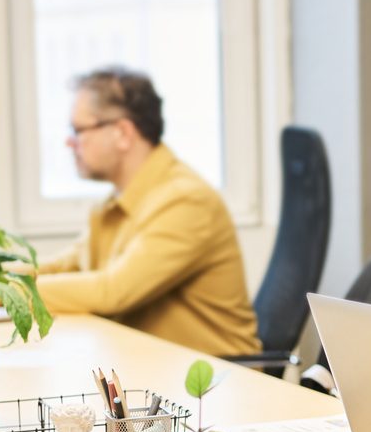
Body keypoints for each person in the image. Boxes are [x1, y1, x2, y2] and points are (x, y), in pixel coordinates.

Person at [32, 66, 261, 357]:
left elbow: (113, 291)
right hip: (158, 374)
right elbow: (68, 264)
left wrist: (8, 294)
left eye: (78, 130)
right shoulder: (118, 201)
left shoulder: (186, 200)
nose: (69, 141)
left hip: (217, 384)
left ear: (123, 133)